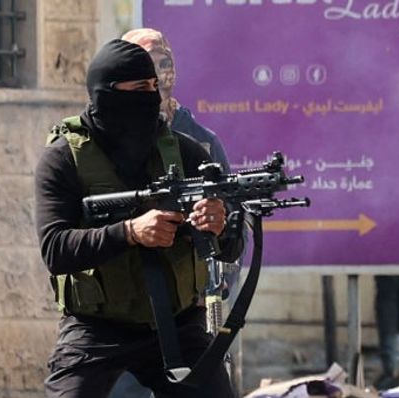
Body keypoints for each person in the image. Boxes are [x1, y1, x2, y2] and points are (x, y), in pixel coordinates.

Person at [35, 39, 243, 398]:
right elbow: (55, 249)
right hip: (97, 328)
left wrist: (219, 227)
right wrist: (130, 231)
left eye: (153, 87)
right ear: (107, 93)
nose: (150, 97)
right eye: (138, 88)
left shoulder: (186, 151)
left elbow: (230, 248)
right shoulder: (63, 159)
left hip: (179, 323)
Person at [120, 28, 231, 173]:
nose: (158, 74)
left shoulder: (203, 139)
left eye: (165, 64)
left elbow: (224, 193)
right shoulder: (110, 133)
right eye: (147, 65)